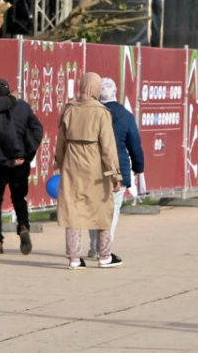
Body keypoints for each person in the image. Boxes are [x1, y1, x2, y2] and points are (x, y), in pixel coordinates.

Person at [54, 72, 121, 268]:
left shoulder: (69, 109)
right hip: (95, 165)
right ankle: (104, 255)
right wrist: (115, 174)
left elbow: (60, 141)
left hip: (72, 163)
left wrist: (59, 162)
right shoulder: (101, 112)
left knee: (72, 210)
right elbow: (108, 146)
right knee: (102, 209)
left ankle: (74, 258)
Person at [0, 79, 42, 256]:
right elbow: (37, 130)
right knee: (19, 197)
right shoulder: (23, 107)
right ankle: (23, 225)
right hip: (21, 161)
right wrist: (27, 155)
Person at [102, 77, 146, 265]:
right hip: (119, 168)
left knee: (95, 209)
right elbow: (135, 144)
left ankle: (95, 245)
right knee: (113, 210)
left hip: (93, 168)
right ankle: (105, 249)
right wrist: (138, 167)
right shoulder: (125, 115)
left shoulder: (91, 112)